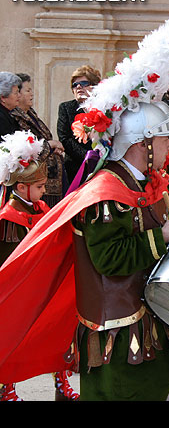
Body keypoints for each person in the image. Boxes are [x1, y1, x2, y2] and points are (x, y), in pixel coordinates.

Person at [0, 9, 169, 401]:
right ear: (142, 145)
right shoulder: (105, 192)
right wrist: (163, 236)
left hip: (162, 321)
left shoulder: (151, 183)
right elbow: (108, 259)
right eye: (164, 141)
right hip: (123, 332)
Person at [0, 130, 79, 402]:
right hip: (20, 294)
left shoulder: (42, 208)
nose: (45, 190)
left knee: (58, 332)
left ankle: (62, 384)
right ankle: (6, 389)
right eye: (41, 186)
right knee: (11, 336)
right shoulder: (7, 219)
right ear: (21, 187)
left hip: (46, 285)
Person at [12, 73, 66, 207]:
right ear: (17, 93)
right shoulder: (15, 117)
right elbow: (24, 149)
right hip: (37, 184)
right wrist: (50, 145)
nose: (32, 94)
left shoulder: (30, 113)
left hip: (53, 179)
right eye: (28, 90)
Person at [56, 65, 101, 186]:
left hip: (104, 165)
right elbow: (65, 138)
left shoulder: (104, 107)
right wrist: (88, 158)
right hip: (76, 167)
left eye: (83, 83)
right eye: (75, 85)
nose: (78, 87)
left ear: (94, 86)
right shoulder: (66, 108)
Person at [0, 72, 22, 139]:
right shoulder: (1, 118)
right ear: (3, 98)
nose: (19, 95)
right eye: (16, 93)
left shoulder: (8, 112)